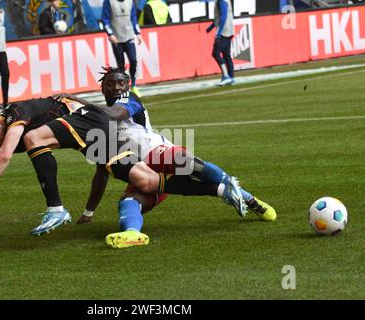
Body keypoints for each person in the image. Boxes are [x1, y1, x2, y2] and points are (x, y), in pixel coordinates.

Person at [0, 93, 247, 238]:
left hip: (86, 121)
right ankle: (221, 187)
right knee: (147, 183)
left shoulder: (13, 116)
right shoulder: (5, 132)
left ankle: (56, 208)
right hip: (90, 131)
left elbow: (4, 156)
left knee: (33, 138)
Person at [69, 67, 276, 248]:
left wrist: (79, 101)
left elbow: (114, 114)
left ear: (128, 85)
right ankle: (132, 233)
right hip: (140, 171)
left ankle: (245, 196)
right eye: (110, 83)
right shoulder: (96, 124)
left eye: (121, 83)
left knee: (182, 159)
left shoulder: (129, 99)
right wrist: (89, 211)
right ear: (102, 88)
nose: (116, 88)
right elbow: (102, 170)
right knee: (128, 201)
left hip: (156, 152)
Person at [101, 0, 143, 97]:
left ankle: (133, 85)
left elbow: (133, 18)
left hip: (129, 36)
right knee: (121, 65)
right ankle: (123, 87)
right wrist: (110, 34)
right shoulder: (109, 2)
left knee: (133, 60)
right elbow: (105, 19)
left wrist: (138, 33)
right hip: (116, 38)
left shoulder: (129, 2)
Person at [206, 0, 235, 87]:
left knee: (215, 53)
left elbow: (223, 17)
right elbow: (220, 17)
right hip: (229, 31)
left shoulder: (221, 1)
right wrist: (210, 27)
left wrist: (218, 33)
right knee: (226, 55)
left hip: (223, 32)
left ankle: (226, 76)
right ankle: (231, 77)